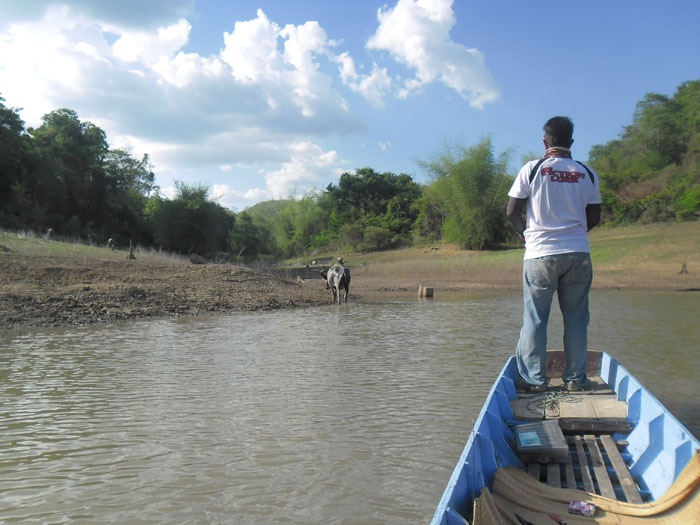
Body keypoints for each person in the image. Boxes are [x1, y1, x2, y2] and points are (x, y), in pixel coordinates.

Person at [506, 116, 601, 393]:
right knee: (576, 320)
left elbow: (512, 211)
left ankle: (536, 380)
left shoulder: (532, 169)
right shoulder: (587, 172)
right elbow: (594, 216)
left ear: (544, 141)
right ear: (571, 141)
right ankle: (575, 380)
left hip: (540, 255)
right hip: (578, 254)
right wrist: (574, 235)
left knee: (535, 319)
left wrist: (526, 235)